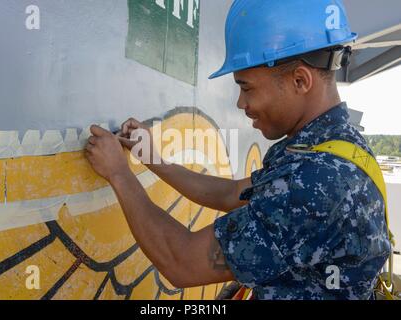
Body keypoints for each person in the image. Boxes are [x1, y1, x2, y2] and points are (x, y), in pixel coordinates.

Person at [85, 0, 391, 300]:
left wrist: (119, 174)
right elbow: (230, 194)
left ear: (300, 80)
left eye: (246, 88)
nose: (241, 104)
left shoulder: (317, 181)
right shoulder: (329, 147)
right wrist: (150, 157)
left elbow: (183, 262)